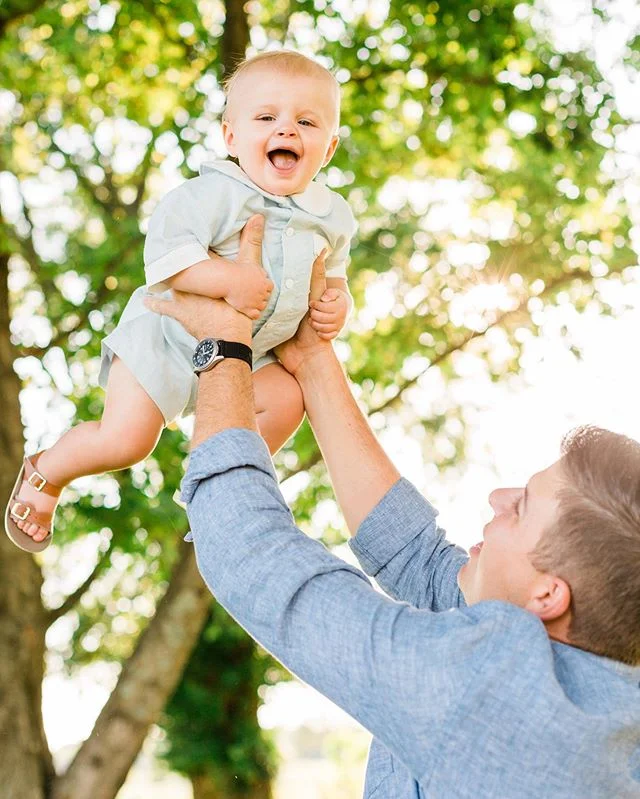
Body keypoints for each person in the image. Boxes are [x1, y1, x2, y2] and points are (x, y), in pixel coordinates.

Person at [143, 217, 640, 798]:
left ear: (550, 595)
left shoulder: (487, 691)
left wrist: (224, 348)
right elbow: (423, 563)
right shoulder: (600, 686)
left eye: (521, 509)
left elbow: (256, 562)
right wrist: (311, 358)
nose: (497, 498)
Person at [5, 50, 355, 553]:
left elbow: (336, 277)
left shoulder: (333, 216)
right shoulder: (214, 194)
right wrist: (227, 279)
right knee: (127, 441)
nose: (286, 131)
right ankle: (47, 472)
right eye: (266, 118)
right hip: (165, 340)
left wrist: (338, 305)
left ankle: (218, 481)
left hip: (254, 356)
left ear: (330, 147)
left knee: (288, 398)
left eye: (306, 121)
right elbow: (167, 256)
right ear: (231, 137)